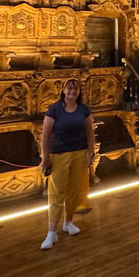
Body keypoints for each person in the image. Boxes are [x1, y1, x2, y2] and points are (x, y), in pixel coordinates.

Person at [39, 78, 95, 250]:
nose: (72, 91)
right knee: (57, 192)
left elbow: (90, 132)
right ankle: (51, 231)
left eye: (75, 88)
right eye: (69, 88)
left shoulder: (84, 110)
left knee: (74, 190)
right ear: (63, 91)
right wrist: (45, 158)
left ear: (79, 91)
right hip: (59, 154)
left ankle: (68, 222)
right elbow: (45, 137)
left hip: (79, 152)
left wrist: (91, 152)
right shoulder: (54, 110)